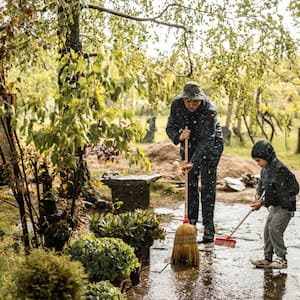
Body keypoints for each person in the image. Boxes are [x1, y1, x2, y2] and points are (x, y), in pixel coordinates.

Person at [166, 81, 224, 243]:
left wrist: (194, 162)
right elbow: (170, 128)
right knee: (190, 184)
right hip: (189, 143)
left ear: (201, 99)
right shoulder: (177, 105)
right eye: (188, 101)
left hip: (211, 145)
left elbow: (206, 141)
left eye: (195, 101)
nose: (192, 104)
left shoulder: (209, 110)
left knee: (207, 186)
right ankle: (191, 224)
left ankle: (209, 229)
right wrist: (179, 137)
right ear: (183, 99)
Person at [250, 140, 299, 269]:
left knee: (274, 229)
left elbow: (276, 193)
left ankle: (281, 258)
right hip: (274, 205)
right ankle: (267, 258)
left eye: (259, 160)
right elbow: (261, 184)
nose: (258, 163)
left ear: (267, 157)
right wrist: (258, 195)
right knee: (267, 230)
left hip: (285, 205)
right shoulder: (265, 169)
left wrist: (262, 203)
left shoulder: (279, 169)